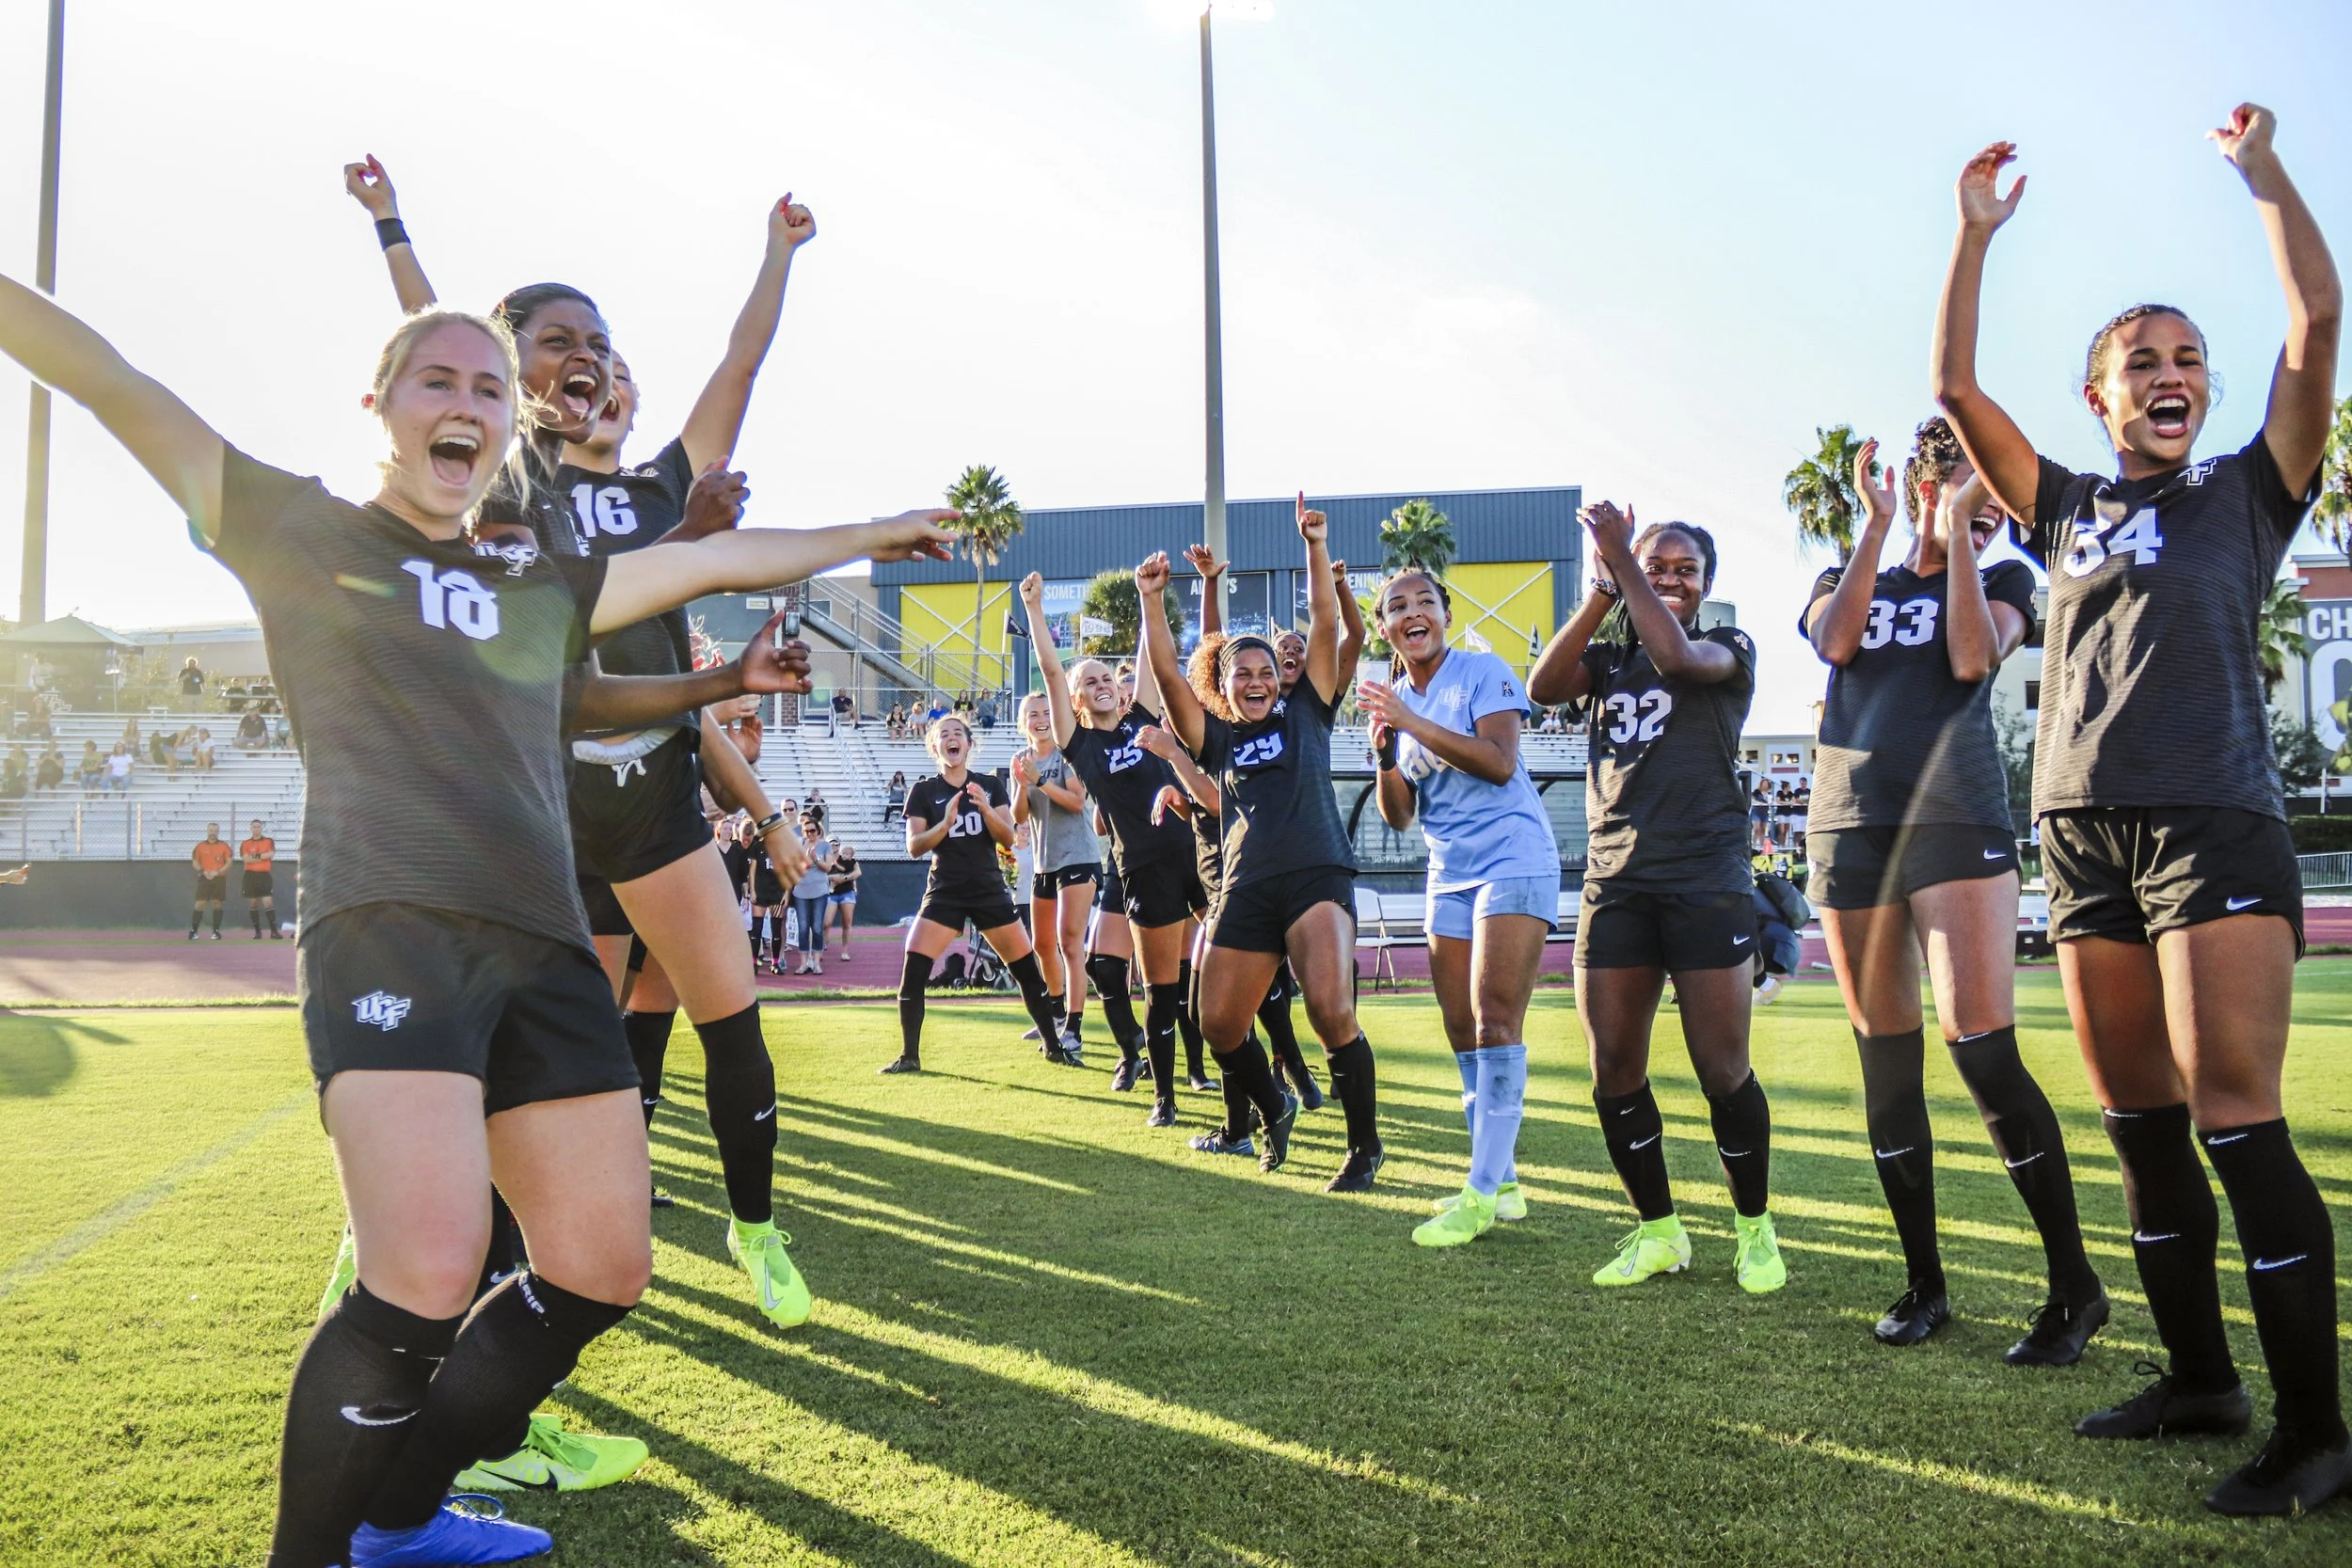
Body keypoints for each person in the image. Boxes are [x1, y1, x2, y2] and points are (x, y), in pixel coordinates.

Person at [0, 258, 956, 1566]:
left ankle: (400, 1514)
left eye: (487, 387)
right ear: (380, 405)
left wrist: (872, 533)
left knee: (604, 1261)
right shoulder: (301, 533)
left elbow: (717, 555)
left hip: (549, 945)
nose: (467, 400)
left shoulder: (535, 580)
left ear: (507, 428)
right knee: (427, 1267)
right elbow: (115, 381)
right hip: (390, 926)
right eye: (436, 378)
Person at [1932, 108, 2344, 1513]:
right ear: (2103, 399)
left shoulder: (2247, 490)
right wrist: (1975, 234)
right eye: (2141, 364)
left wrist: (2263, 174)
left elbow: (2318, 316)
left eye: (2187, 361)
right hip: (2081, 835)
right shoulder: (2060, 510)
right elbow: (1952, 383)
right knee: (2139, 1121)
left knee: (2237, 1119)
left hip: (2213, 823)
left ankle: (2317, 1432)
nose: (2171, 376)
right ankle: (2199, 1378)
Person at [348, 157, 832, 1340]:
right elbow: (443, 334)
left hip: (658, 807)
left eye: (610, 349)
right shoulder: (509, 477)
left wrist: (777, 253)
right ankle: (437, 1277)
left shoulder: (673, 485)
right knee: (535, 1069)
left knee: (733, 1015)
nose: (599, 367)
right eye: (570, 348)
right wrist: (391, 226)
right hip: (549, 823)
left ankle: (756, 1231)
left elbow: (741, 364)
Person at [1805, 422, 2106, 1360]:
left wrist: (1970, 538)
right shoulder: (1854, 571)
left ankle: (2072, 1285)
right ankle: (1925, 1281)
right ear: (1916, 488)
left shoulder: (2009, 575)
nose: (1978, 522)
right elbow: (1835, 642)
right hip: (1850, 823)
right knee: (1885, 1064)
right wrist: (1880, 528)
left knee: (1980, 1048)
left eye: (1990, 510)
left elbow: (1973, 659)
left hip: (1953, 816)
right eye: (1961, 499)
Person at [1529, 506, 1784, 1293]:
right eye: (1656, 564)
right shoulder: (1605, 663)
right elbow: (1543, 686)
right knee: (1613, 1067)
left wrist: (1623, 562)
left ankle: (1754, 1228)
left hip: (1706, 879)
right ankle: (1659, 1229)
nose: (1670, 578)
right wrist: (1604, 587)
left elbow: (1674, 655)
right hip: (1617, 883)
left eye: (1685, 569)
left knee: (1722, 1068)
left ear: (1707, 585)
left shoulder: (1726, 647)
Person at [1136, 496, 1386, 1192]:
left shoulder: (1308, 709)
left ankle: (1363, 1147)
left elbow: (1330, 623)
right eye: (1239, 673)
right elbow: (1165, 675)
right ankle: (1273, 1107)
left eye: (1264, 672)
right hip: (1245, 886)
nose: (1254, 679)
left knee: (1332, 1010)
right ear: (1220, 687)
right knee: (1216, 1021)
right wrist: (1153, 602)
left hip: (1314, 875)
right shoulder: (1215, 737)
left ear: (1282, 679)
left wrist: (1314, 544)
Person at [1359, 565, 1559, 1246]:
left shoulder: (1482, 671)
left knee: (1497, 1021)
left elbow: (1501, 761)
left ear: (1445, 614)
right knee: (1460, 1027)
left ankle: (1478, 1192)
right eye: (1396, 606)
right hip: (1448, 871)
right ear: (1384, 628)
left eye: (1425, 602)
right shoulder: (1395, 709)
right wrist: (1386, 754)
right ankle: (1499, 1182)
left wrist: (1410, 720)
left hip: (1513, 856)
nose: (1412, 613)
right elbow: (1399, 816)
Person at [1020, 576, 1211, 1121]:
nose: (1104, 683)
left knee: (1217, 964)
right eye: (1092, 681)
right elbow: (1053, 674)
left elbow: (1153, 659)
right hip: (1142, 868)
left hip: (1194, 854)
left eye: (1109, 676)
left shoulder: (1140, 720)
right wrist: (1035, 608)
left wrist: (1150, 597)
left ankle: (1275, 1069)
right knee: (1156, 986)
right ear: (1078, 702)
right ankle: (1162, 1094)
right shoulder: (1081, 745)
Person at [879, 715, 1070, 1073]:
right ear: (934, 746)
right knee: (914, 970)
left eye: (957, 734)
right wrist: (945, 824)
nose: (951, 740)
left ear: (969, 744)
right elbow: (914, 846)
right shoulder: (923, 791)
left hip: (988, 890)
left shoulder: (987, 785)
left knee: (1026, 971)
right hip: (944, 891)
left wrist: (983, 807)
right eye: (943, 735)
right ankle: (909, 1055)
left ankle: (1053, 1044)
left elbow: (1008, 837)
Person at [1010, 690, 1096, 1057]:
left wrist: (1040, 781)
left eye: (1047, 711)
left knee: (1069, 942)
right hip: (1045, 862)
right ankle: (1056, 1012)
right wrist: (1022, 782)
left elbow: (1078, 804)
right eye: (1033, 713)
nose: (1041, 718)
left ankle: (1074, 1026)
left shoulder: (1066, 754)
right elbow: (1018, 816)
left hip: (1077, 857)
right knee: (1042, 945)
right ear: (1023, 722)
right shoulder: (1021, 759)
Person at [790, 816, 834, 975]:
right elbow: (795, 868)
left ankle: (816, 963)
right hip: (801, 891)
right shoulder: (799, 845)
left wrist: (816, 860)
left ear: (818, 830)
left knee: (816, 927)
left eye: (812, 830)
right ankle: (803, 963)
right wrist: (806, 862)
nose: (810, 834)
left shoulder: (825, 846)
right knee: (802, 928)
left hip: (819, 891)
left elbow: (828, 867)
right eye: (806, 831)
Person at [185, 823, 231, 938]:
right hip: (204, 878)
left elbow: (229, 862)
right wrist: (203, 871)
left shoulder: (224, 846)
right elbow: (195, 862)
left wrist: (218, 872)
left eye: (215, 831)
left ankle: (215, 932)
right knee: (200, 903)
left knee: (217, 903)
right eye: (211, 830)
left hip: (219, 879)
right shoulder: (200, 846)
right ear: (207, 831)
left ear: (218, 832)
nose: (213, 833)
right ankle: (193, 931)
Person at [240, 818, 282, 940]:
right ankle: (257, 932)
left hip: (264, 875)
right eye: (254, 827)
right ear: (250, 828)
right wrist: (262, 857)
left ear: (261, 828)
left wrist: (255, 857)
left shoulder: (269, 841)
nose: (256, 829)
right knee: (253, 903)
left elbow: (270, 855)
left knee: (268, 902)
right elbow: (246, 859)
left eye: (258, 827)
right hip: (250, 876)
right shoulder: (245, 843)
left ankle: (274, 932)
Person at [827, 839, 861, 960]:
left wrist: (845, 878)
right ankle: (822, 943)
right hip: (831, 893)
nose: (834, 846)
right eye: (831, 843)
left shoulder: (850, 861)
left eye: (836, 844)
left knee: (847, 922)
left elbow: (857, 872)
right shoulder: (825, 857)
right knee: (826, 922)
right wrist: (832, 877)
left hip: (846, 892)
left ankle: (845, 951)